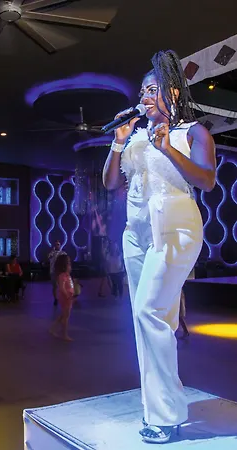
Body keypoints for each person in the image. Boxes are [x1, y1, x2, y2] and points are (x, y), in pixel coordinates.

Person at [102, 50, 216, 444]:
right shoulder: (135, 138)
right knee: (145, 319)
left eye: (152, 90)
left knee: (150, 311)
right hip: (136, 234)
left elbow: (206, 181)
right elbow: (110, 184)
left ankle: (167, 414)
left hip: (175, 226)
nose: (145, 96)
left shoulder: (193, 133)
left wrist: (167, 147)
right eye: (142, 92)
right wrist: (118, 144)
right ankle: (157, 410)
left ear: (172, 92)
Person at [49, 254, 74, 341]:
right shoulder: (62, 276)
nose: (70, 266)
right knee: (66, 317)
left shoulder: (67, 275)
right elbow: (62, 287)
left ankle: (52, 329)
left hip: (68, 297)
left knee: (63, 315)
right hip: (66, 298)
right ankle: (64, 334)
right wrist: (67, 295)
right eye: (68, 263)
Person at [48, 240, 66, 306]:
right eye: (56, 244)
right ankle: (56, 299)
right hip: (53, 271)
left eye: (58, 244)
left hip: (61, 272)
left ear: (60, 245)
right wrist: (52, 252)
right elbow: (48, 257)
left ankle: (62, 298)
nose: (57, 246)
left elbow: (66, 261)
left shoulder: (63, 253)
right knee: (55, 286)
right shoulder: (51, 253)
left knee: (62, 286)